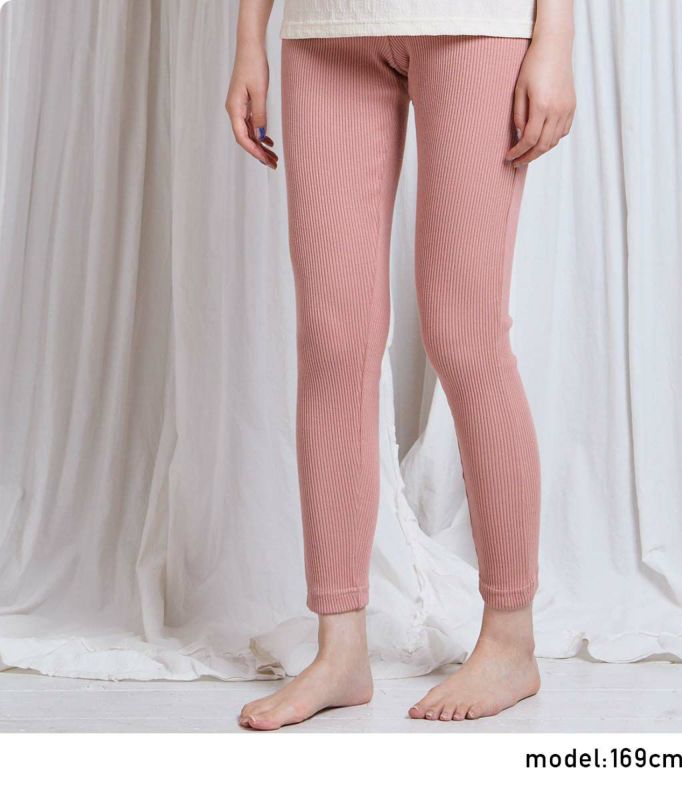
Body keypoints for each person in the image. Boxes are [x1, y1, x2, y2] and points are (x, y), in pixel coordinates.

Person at [226, 0, 575, 730]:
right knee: (332, 339)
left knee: (467, 335)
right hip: (326, 28)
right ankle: (339, 650)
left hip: (476, 24)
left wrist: (555, 37)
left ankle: (510, 639)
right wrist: (248, 39)